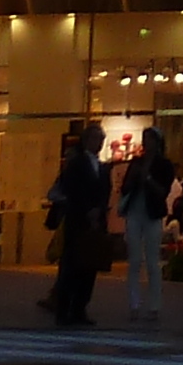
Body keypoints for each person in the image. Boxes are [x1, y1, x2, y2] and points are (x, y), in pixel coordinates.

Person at [45, 124, 110, 328]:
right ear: (87, 140)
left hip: (94, 220)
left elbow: (105, 192)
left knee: (88, 268)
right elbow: (72, 190)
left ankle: (80, 308)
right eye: (96, 139)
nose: (99, 144)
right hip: (78, 219)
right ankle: (64, 310)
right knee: (71, 267)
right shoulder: (77, 163)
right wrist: (87, 209)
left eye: (101, 140)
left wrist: (99, 209)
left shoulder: (101, 166)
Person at [119, 128, 175, 327]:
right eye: (144, 139)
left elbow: (163, 191)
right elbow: (124, 188)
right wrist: (134, 178)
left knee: (152, 260)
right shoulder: (137, 162)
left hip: (152, 214)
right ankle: (134, 304)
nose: (146, 143)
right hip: (135, 211)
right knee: (134, 259)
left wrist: (148, 179)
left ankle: (154, 305)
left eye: (149, 139)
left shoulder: (164, 165)